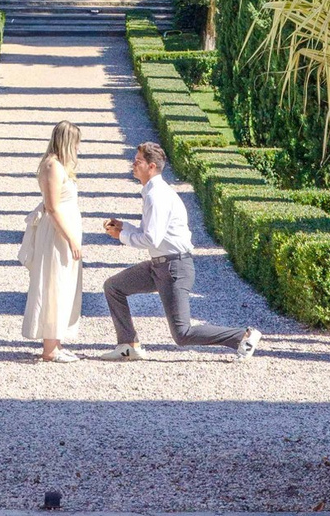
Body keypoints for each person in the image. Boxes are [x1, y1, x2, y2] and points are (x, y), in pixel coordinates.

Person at [100, 140, 260, 357]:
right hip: (160, 265)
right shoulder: (151, 192)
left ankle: (242, 337)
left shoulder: (157, 196)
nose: (133, 165)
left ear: (152, 167)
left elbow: (151, 239)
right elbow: (153, 233)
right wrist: (125, 227)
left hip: (174, 268)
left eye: (138, 161)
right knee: (114, 287)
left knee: (182, 334)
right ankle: (128, 346)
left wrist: (122, 235)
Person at [19, 119, 87, 359]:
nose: (78, 148)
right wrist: (71, 239)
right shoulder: (52, 167)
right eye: (76, 143)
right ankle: (50, 348)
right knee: (53, 283)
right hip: (57, 234)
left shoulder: (59, 166)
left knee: (63, 284)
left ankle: (55, 343)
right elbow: (52, 207)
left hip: (64, 232)